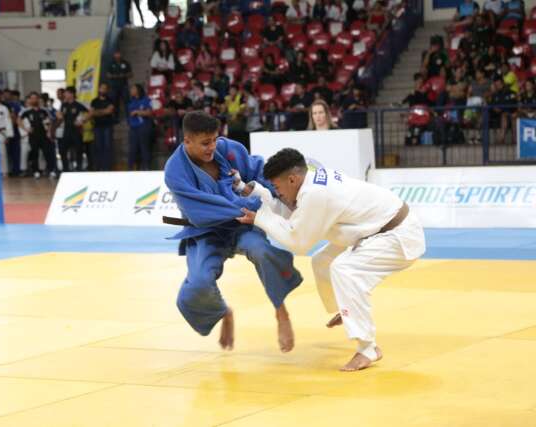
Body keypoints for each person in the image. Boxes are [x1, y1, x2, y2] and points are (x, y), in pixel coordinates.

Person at [236, 148, 425, 371]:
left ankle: (368, 349)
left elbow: (299, 242)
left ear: (292, 179)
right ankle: (346, 309)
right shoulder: (310, 181)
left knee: (344, 269)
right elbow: (290, 214)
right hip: (373, 229)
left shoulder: (316, 194)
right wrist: (251, 191)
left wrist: (260, 219)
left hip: (396, 235)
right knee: (321, 262)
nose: (277, 193)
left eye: (277, 187)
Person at [164, 111, 303, 352]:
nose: (212, 147)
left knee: (262, 251)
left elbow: (259, 170)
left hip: (242, 224)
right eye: (205, 143)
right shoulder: (175, 171)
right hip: (205, 231)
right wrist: (248, 205)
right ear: (187, 141)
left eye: (214, 139)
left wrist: (284, 195)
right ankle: (222, 311)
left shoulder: (227, 150)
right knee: (197, 283)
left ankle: (281, 313)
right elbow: (199, 211)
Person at [19, 92, 57, 179]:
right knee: (34, 153)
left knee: (47, 153)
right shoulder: (26, 111)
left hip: (44, 135)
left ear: (38, 99)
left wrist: (49, 132)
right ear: (29, 100)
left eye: (35, 98)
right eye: (32, 98)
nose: (34, 100)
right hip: (33, 135)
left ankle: (51, 171)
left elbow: (50, 121)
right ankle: (36, 171)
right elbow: (18, 120)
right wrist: (26, 129)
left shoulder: (44, 110)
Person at [57, 86, 88, 172]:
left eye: (66, 93)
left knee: (79, 150)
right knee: (63, 150)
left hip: (76, 131)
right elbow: (60, 115)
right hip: (66, 131)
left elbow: (89, 112)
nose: (64, 94)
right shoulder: (64, 105)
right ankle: (66, 168)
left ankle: (79, 167)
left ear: (72, 94)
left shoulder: (78, 105)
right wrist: (59, 115)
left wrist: (83, 120)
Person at [127, 83, 154, 170]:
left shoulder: (146, 100)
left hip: (144, 127)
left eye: (133, 89)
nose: (131, 91)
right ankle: (131, 169)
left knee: (144, 148)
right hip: (133, 128)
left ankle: (146, 168)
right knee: (132, 149)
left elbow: (149, 113)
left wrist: (137, 112)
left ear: (138, 90)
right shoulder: (131, 101)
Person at [90, 82, 116, 171]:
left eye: (105, 88)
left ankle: (107, 168)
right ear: (98, 89)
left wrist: (98, 112)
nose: (103, 90)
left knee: (107, 147)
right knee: (98, 147)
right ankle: (98, 167)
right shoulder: (94, 101)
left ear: (107, 90)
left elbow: (109, 111)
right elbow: (92, 113)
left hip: (107, 126)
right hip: (97, 126)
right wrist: (103, 111)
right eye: (102, 88)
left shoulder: (110, 100)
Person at [106, 50, 132, 120]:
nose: (118, 55)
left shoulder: (125, 63)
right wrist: (116, 76)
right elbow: (108, 75)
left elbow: (130, 74)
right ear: (114, 55)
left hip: (124, 86)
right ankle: (115, 118)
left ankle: (129, 117)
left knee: (127, 101)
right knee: (114, 102)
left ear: (121, 54)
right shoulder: (111, 63)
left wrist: (124, 75)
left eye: (119, 54)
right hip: (114, 87)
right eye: (116, 54)